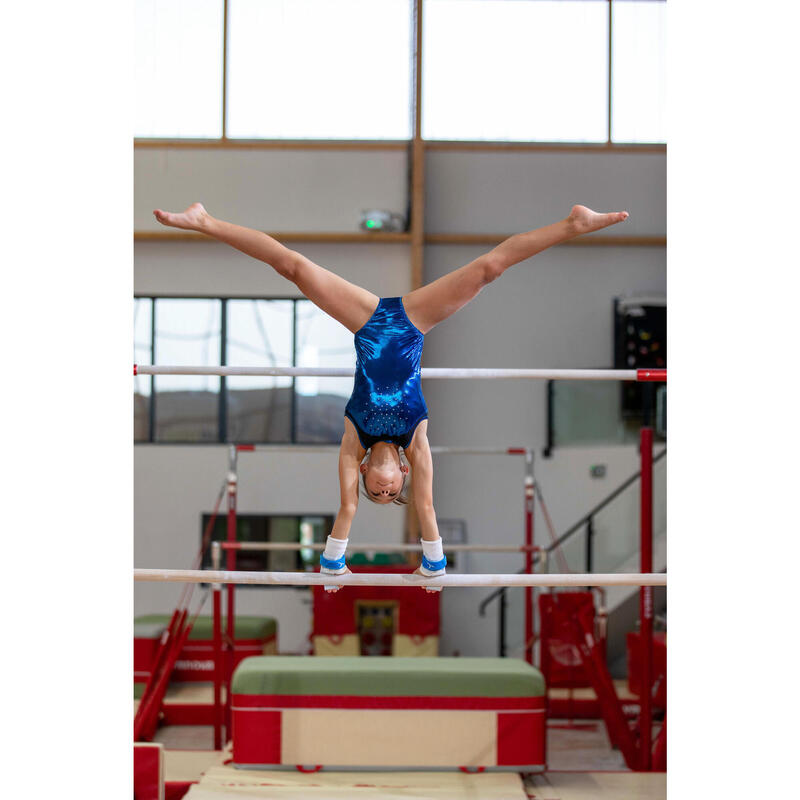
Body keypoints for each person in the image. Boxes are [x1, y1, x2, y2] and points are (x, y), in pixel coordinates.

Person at [153, 202, 628, 592]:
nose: (383, 489)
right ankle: (572, 224)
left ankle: (205, 221)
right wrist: (433, 566)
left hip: (366, 323)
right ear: (402, 472)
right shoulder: (415, 443)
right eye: (391, 491)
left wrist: (333, 566)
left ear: (363, 472)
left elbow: (347, 509)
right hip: (414, 323)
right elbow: (426, 508)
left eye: (375, 490)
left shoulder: (352, 444)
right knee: (488, 268)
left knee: (294, 267)